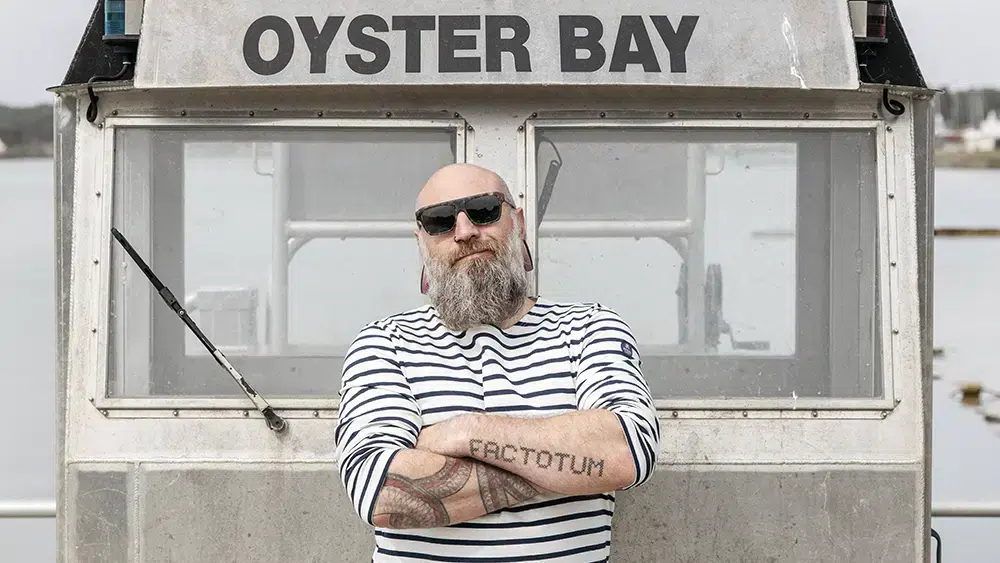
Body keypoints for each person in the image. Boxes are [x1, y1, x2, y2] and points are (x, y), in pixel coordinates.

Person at [334, 163, 660, 561]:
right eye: (439, 221)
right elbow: (381, 494)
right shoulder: (384, 342)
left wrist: (464, 432)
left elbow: (628, 451)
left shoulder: (589, 327)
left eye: (484, 210)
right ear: (421, 241)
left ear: (517, 222)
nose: (465, 231)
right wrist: (573, 466)